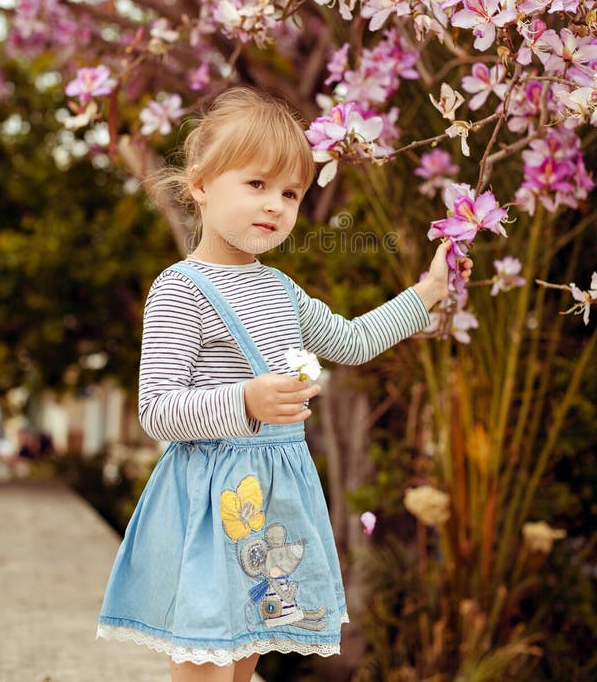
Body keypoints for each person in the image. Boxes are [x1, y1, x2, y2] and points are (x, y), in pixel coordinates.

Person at [97, 87, 472, 682]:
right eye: (256, 185)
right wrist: (246, 400)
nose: (275, 205)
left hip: (272, 496)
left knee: (251, 644)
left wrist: (427, 293)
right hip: (208, 498)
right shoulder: (180, 288)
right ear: (200, 185)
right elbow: (158, 410)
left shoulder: (280, 290)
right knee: (201, 654)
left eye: (290, 193)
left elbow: (349, 341)